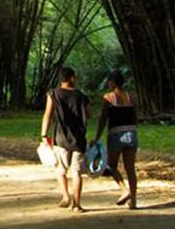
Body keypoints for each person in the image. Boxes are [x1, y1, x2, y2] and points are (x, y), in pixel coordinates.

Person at [40, 66, 90, 212]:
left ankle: (65, 196)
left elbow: (47, 114)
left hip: (60, 138)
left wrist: (44, 135)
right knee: (76, 172)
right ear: (72, 78)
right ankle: (77, 204)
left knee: (60, 169)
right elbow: (89, 114)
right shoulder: (81, 96)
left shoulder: (53, 93)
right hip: (78, 139)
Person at [92, 69, 139, 209]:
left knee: (112, 165)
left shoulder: (108, 97)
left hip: (115, 134)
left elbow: (103, 119)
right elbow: (135, 117)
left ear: (112, 82)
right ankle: (134, 201)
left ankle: (124, 190)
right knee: (130, 168)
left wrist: (97, 137)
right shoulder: (131, 97)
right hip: (131, 133)